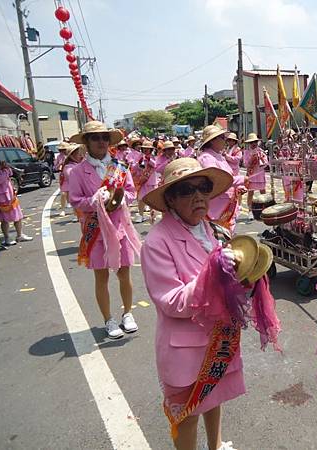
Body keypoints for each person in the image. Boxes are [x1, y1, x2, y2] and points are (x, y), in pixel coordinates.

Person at [140, 157, 243, 450]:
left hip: (217, 336)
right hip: (184, 348)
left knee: (214, 397)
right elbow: (171, 301)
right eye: (186, 189)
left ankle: (217, 444)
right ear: (170, 199)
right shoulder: (157, 242)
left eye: (203, 187)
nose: (198, 195)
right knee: (187, 417)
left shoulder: (209, 228)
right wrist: (214, 273)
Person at [68, 121, 141, 339]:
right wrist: (95, 200)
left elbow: (131, 193)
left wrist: (118, 199)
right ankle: (108, 319)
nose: (101, 142)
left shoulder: (120, 167)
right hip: (96, 230)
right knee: (101, 277)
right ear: (87, 143)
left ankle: (127, 313)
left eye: (104, 138)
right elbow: (75, 200)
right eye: (95, 138)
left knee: (124, 273)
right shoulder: (78, 171)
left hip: (119, 227)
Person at [197, 125, 245, 233]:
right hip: (217, 207)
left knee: (226, 236)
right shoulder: (207, 158)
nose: (225, 141)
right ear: (213, 141)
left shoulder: (218, 155)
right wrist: (241, 180)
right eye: (223, 138)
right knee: (218, 237)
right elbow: (216, 179)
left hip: (226, 203)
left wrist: (237, 188)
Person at [0, 147, 33, 246]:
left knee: (18, 216)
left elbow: (10, 173)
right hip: (1, 198)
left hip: (10, 196)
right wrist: (5, 170)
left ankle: (20, 235)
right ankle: (7, 238)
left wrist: (6, 168)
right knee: (5, 220)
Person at [131, 140, 158, 223]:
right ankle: (141, 215)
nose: (146, 150)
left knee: (151, 200)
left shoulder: (153, 157)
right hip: (143, 181)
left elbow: (155, 165)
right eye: (144, 149)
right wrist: (138, 163)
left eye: (148, 149)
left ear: (151, 150)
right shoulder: (140, 157)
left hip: (151, 182)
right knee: (141, 199)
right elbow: (134, 168)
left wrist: (149, 159)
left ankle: (152, 215)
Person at [242, 133, 268, 220]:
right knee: (250, 193)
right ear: (249, 143)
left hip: (260, 173)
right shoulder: (246, 152)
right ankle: (250, 211)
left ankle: (265, 209)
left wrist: (261, 159)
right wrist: (252, 159)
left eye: (255, 142)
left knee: (263, 191)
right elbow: (245, 164)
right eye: (252, 142)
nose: (254, 144)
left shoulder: (260, 151)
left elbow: (266, 163)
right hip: (252, 174)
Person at [60, 143, 84, 222]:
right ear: (71, 156)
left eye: (81, 154)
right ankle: (77, 216)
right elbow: (71, 176)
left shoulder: (81, 163)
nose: (81, 156)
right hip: (77, 192)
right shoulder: (68, 167)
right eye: (78, 154)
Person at [55, 143, 69, 216]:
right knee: (63, 193)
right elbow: (55, 167)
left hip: (71, 176)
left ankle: (76, 213)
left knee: (71, 195)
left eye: (63, 150)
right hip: (63, 176)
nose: (62, 151)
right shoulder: (58, 157)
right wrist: (59, 164)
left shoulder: (70, 155)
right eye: (60, 150)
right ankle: (63, 209)